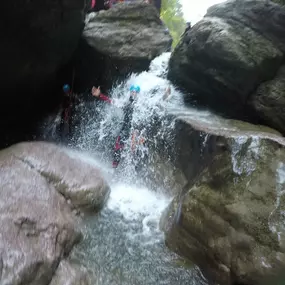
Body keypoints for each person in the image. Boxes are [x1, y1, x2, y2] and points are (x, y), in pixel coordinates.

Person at [112, 85, 171, 169]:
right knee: (118, 149)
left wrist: (165, 95)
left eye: (136, 92)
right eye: (132, 91)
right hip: (125, 130)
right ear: (130, 92)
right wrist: (100, 95)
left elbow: (156, 103)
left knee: (134, 151)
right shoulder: (126, 102)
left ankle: (134, 171)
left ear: (138, 93)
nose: (134, 93)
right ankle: (114, 168)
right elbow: (113, 101)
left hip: (136, 131)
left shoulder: (142, 103)